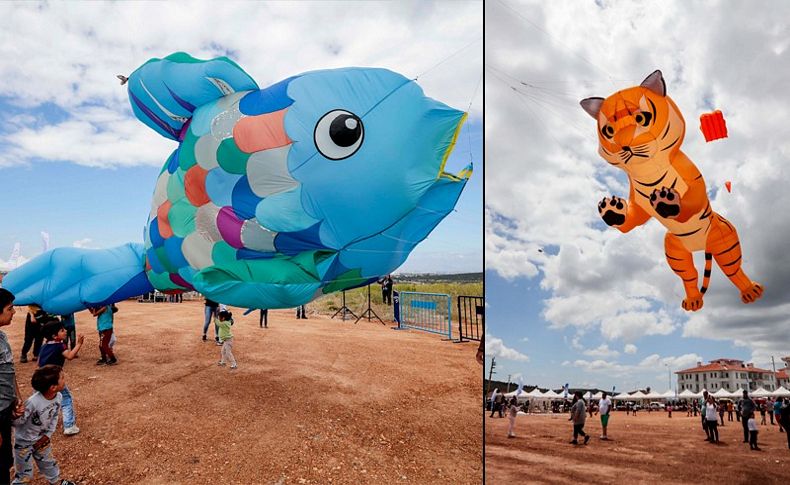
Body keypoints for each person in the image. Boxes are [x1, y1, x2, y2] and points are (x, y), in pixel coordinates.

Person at [12, 364, 76, 485]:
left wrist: (47, 435)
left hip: (42, 439)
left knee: (48, 463)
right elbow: (19, 422)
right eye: (62, 377)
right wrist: (15, 415)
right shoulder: (32, 402)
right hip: (24, 444)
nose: (65, 379)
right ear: (53, 387)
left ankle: (56, 482)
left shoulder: (58, 397)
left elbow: (55, 416)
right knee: (24, 474)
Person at [37, 321, 85, 436]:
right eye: (62, 330)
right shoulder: (60, 345)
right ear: (55, 336)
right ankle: (69, 426)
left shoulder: (44, 346)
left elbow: (38, 363)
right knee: (66, 399)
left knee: (42, 401)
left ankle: (40, 425)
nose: (65, 331)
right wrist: (79, 344)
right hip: (54, 379)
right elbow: (70, 356)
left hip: (42, 378)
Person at [0, 288, 25, 485]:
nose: (14, 312)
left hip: (5, 408)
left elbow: (9, 370)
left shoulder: (2, 337)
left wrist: (16, 397)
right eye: (10, 308)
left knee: (5, 460)